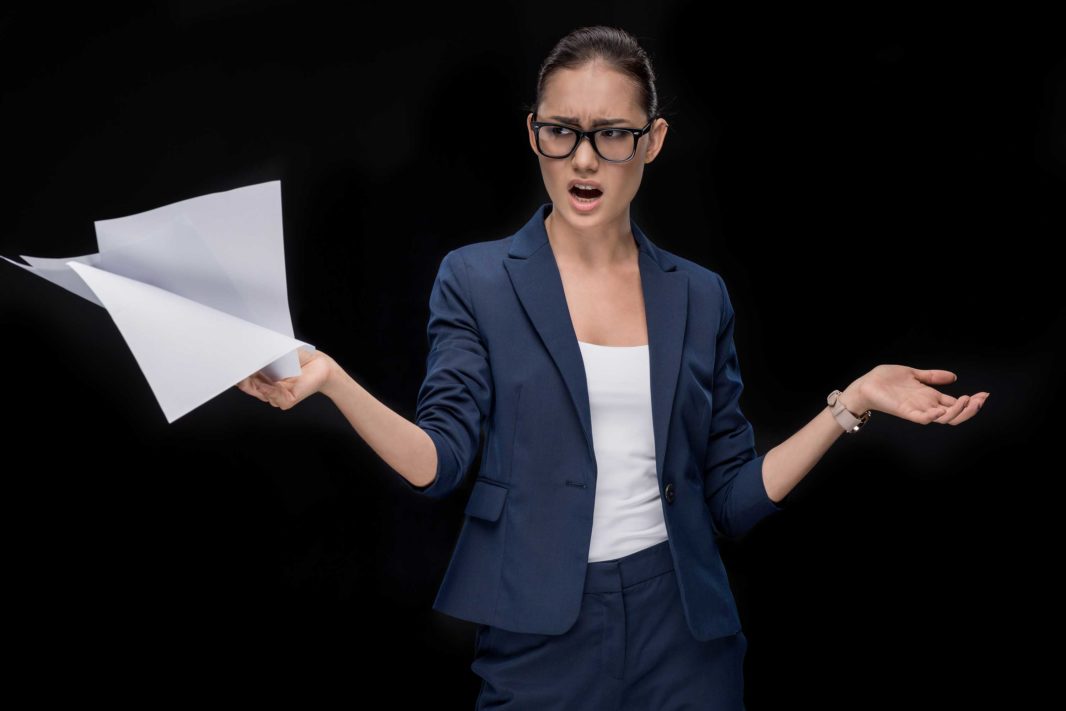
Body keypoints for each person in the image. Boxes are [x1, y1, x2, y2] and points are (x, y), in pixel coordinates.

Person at [236, 25, 988, 711]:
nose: (585, 158)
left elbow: (729, 497)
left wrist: (848, 404)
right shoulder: (476, 280)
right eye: (562, 131)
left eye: (613, 134)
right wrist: (332, 379)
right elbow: (439, 463)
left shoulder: (698, 294)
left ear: (653, 139)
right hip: (539, 635)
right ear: (534, 135)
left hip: (685, 634)